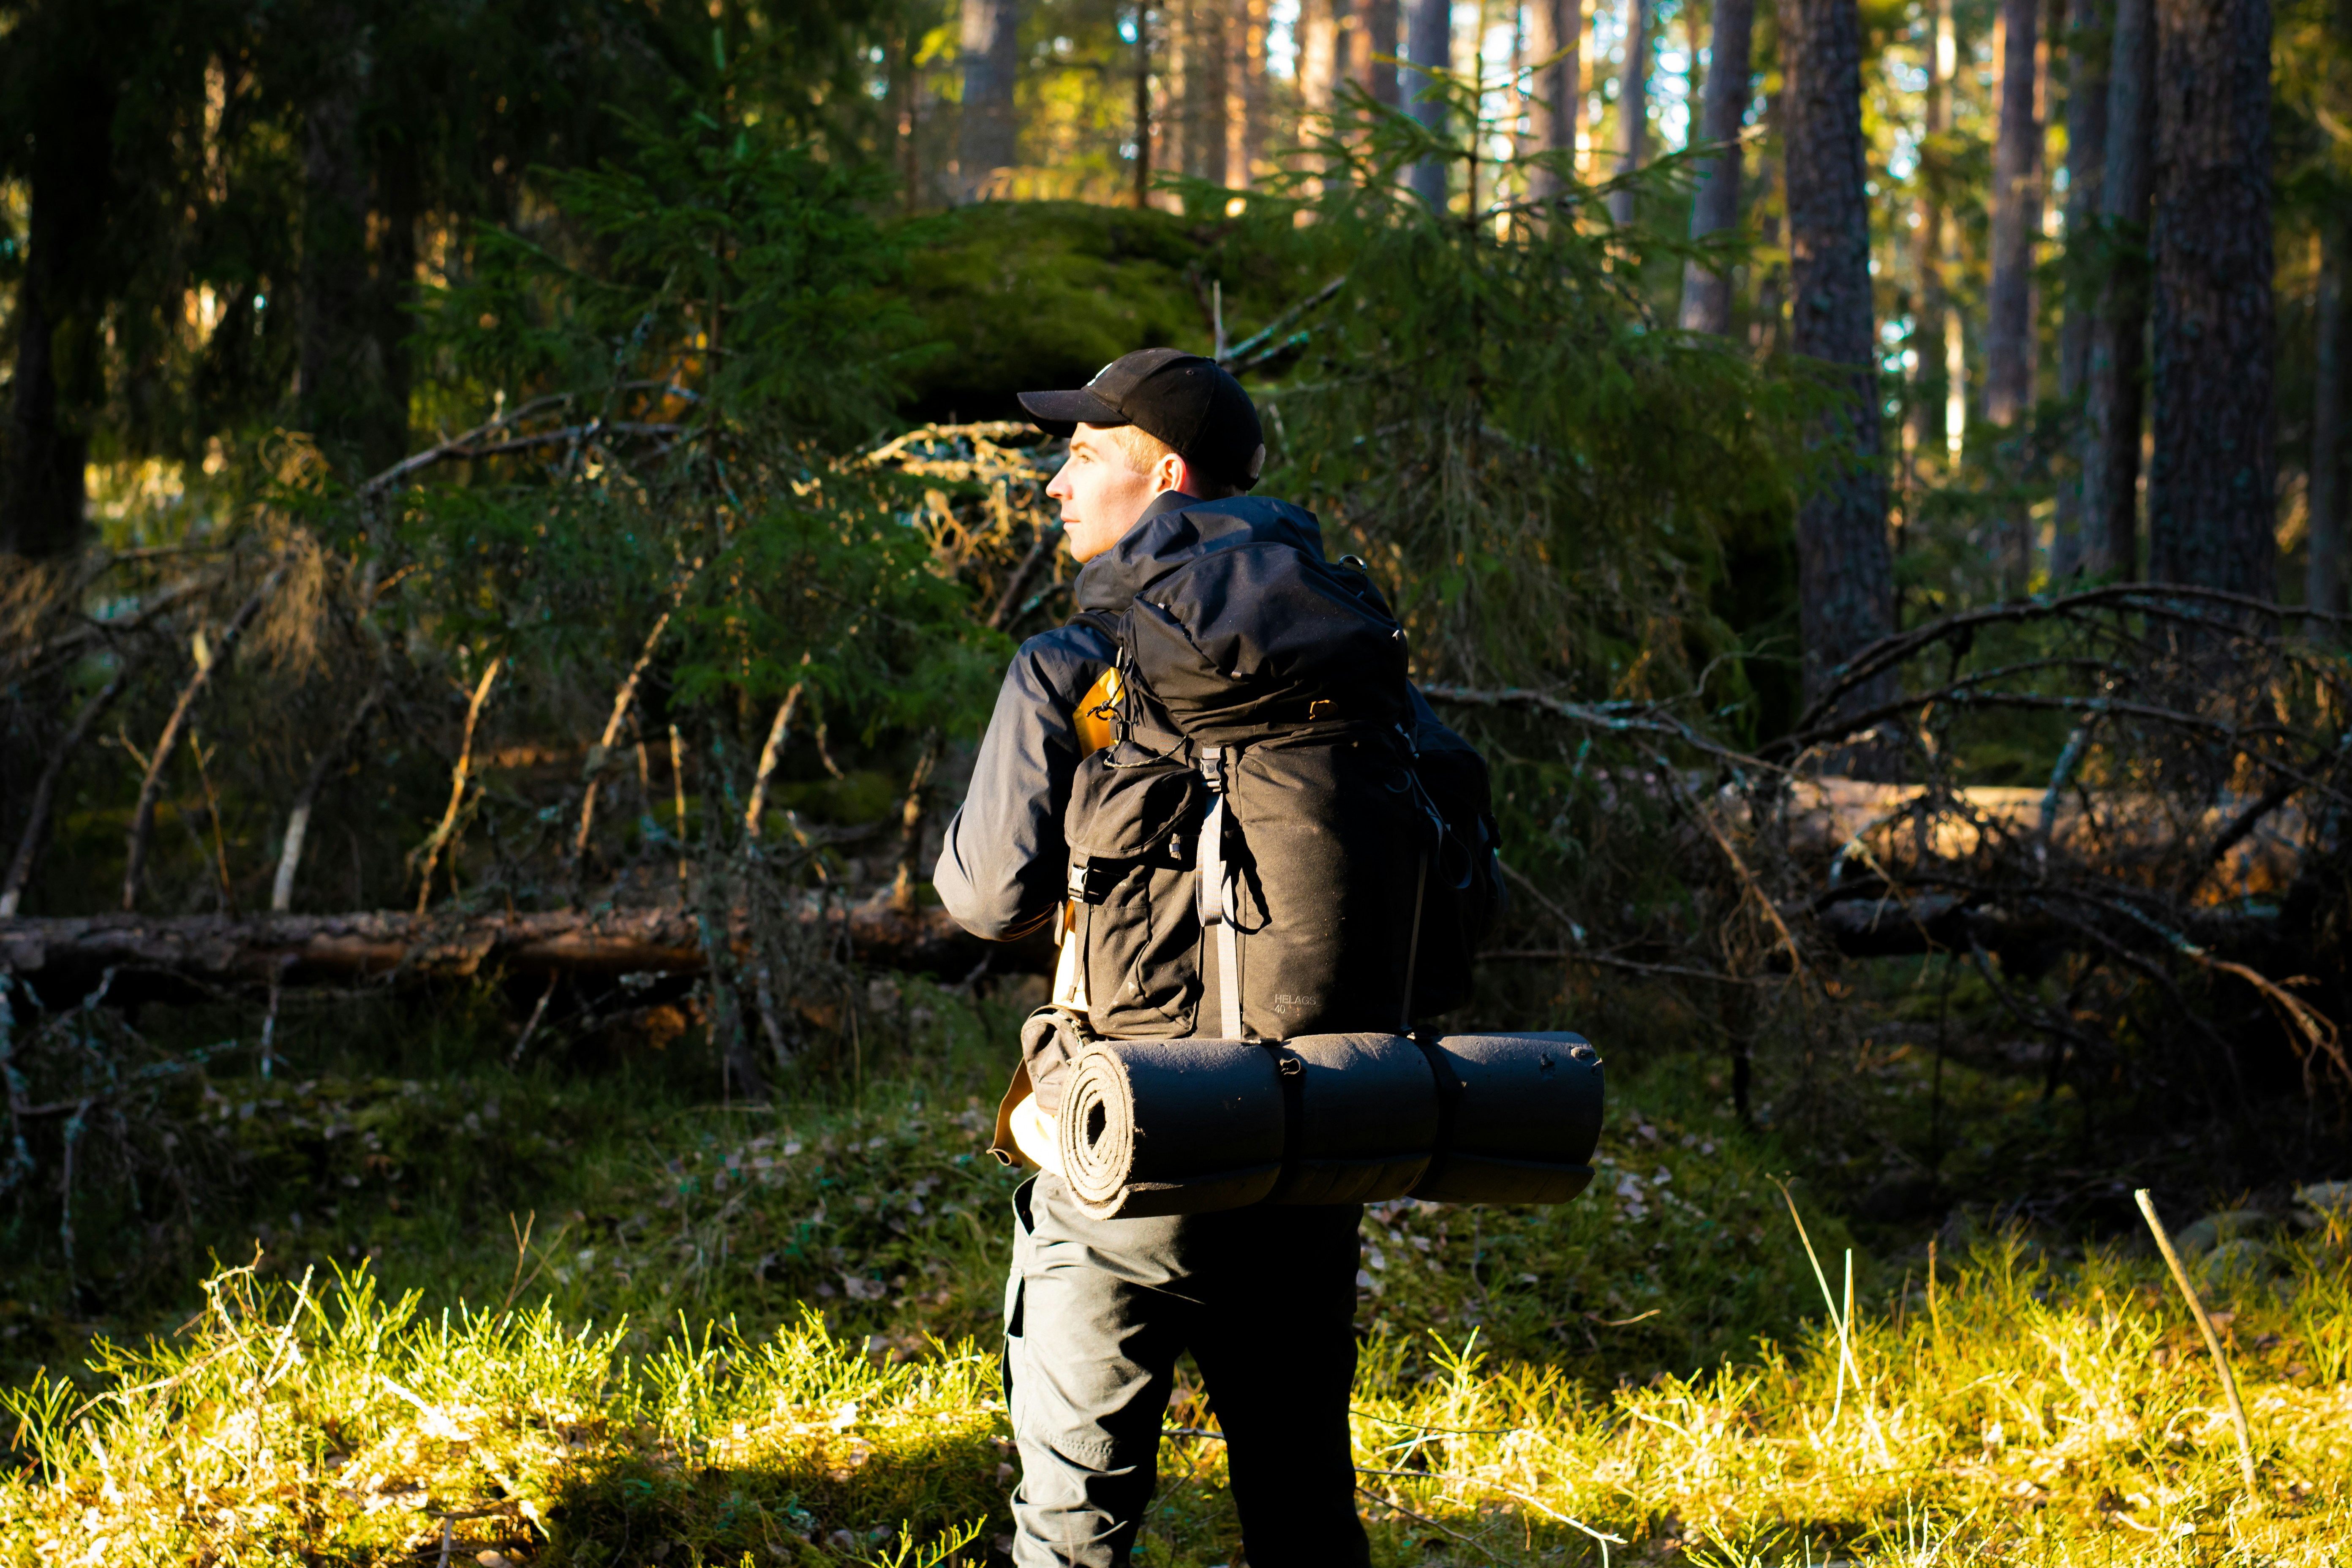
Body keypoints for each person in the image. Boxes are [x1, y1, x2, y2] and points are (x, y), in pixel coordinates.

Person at [934, 348, 1378, 1568]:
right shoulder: (1352, 663)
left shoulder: (1070, 672)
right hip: (1313, 1138)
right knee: (1303, 1516)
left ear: (1168, 479)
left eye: (1083, 457)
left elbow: (981, 900)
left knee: (1073, 1533)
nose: (1055, 487)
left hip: (1126, 1151)